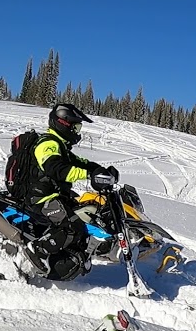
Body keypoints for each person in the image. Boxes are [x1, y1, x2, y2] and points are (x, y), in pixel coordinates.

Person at [14, 103, 120, 280]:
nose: (77, 132)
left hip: (54, 195)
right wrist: (88, 175)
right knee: (72, 224)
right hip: (40, 197)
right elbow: (56, 168)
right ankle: (38, 250)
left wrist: (101, 171)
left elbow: (80, 162)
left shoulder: (60, 145)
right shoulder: (48, 144)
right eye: (76, 127)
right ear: (64, 123)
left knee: (85, 214)